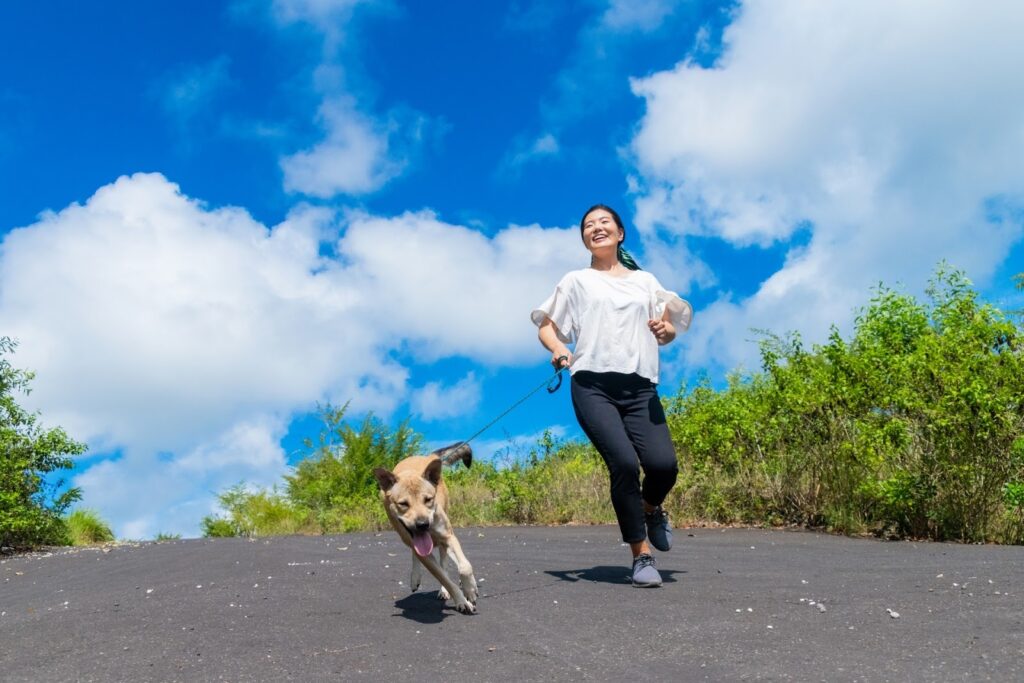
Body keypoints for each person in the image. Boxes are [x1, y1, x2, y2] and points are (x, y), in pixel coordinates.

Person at [531, 204, 692, 587]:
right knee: (623, 464)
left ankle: (649, 509)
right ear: (585, 239)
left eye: (604, 222)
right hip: (592, 385)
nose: (596, 227)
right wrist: (559, 348)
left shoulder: (645, 281)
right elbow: (547, 327)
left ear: (620, 234)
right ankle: (641, 556)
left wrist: (664, 331)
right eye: (589, 225)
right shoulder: (576, 281)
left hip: (640, 386)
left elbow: (669, 327)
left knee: (664, 466)